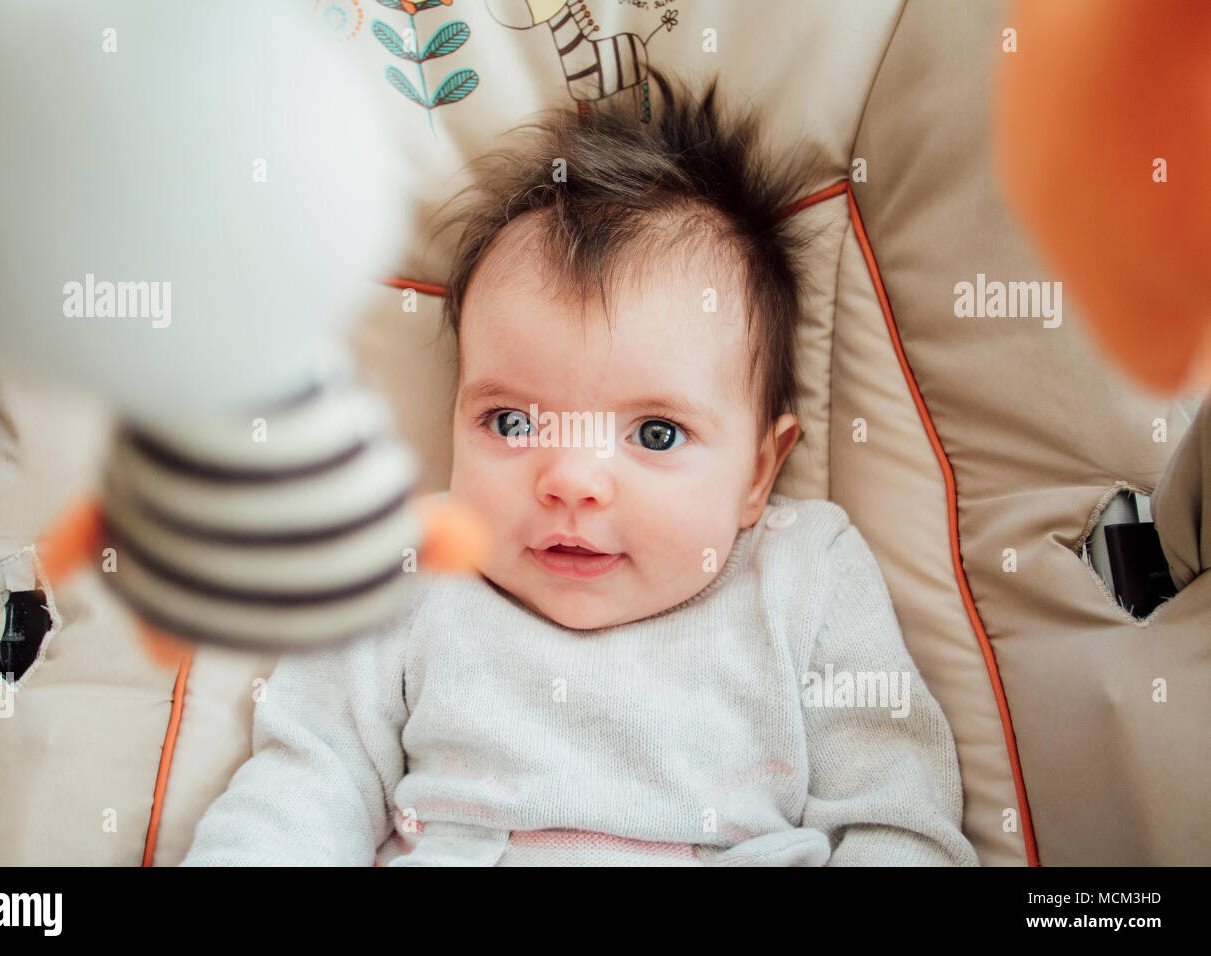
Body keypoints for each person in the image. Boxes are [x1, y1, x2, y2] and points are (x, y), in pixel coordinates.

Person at [180, 68, 978, 866]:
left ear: (759, 473)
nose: (571, 482)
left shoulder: (803, 570)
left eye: (657, 434)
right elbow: (308, 782)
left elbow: (896, 816)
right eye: (513, 421)